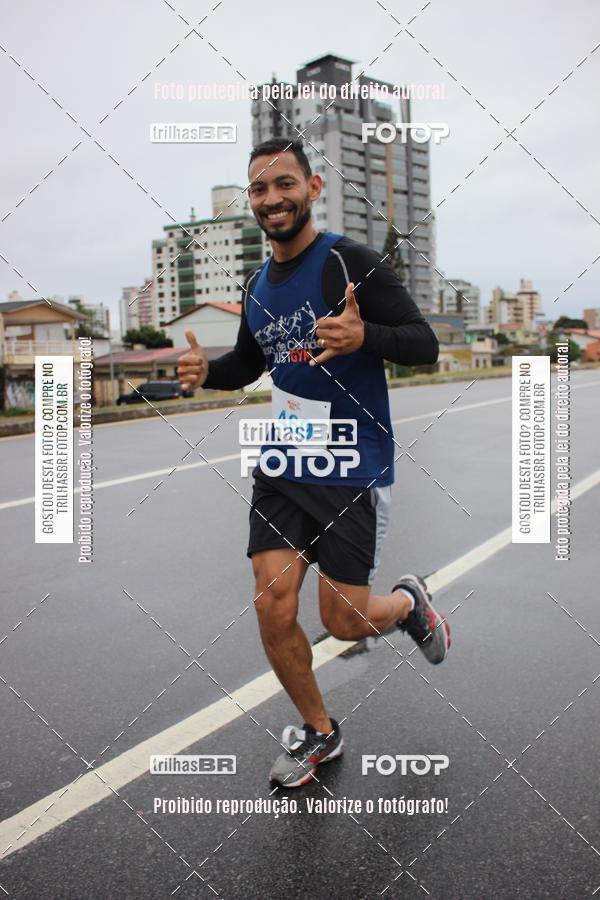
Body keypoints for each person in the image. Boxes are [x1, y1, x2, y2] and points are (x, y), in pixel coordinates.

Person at [177, 137, 451, 789]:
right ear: (251, 200)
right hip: (285, 459)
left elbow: (425, 345)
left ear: (313, 189)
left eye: (285, 184)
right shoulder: (256, 283)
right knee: (273, 604)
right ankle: (320, 734)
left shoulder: (347, 263)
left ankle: (409, 606)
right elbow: (249, 364)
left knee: (343, 620)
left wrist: (366, 337)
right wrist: (205, 372)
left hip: (351, 463)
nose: (272, 199)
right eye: (259, 189)